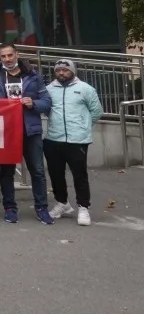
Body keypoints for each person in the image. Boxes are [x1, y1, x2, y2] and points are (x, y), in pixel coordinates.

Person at [0, 43, 53, 225]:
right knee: (7, 172)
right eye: (3, 56)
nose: (7, 59)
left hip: (30, 130)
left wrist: (34, 103)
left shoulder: (33, 76)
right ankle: (9, 208)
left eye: (10, 55)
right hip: (6, 131)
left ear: (17, 54)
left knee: (37, 171)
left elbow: (47, 102)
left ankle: (42, 208)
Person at [45, 58, 103, 226]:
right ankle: (62, 203)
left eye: (65, 70)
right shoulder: (49, 89)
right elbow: (47, 109)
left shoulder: (85, 89)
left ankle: (83, 207)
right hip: (54, 138)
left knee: (79, 175)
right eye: (58, 70)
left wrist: (83, 126)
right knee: (56, 174)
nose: (61, 73)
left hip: (77, 140)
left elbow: (96, 111)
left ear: (72, 71)